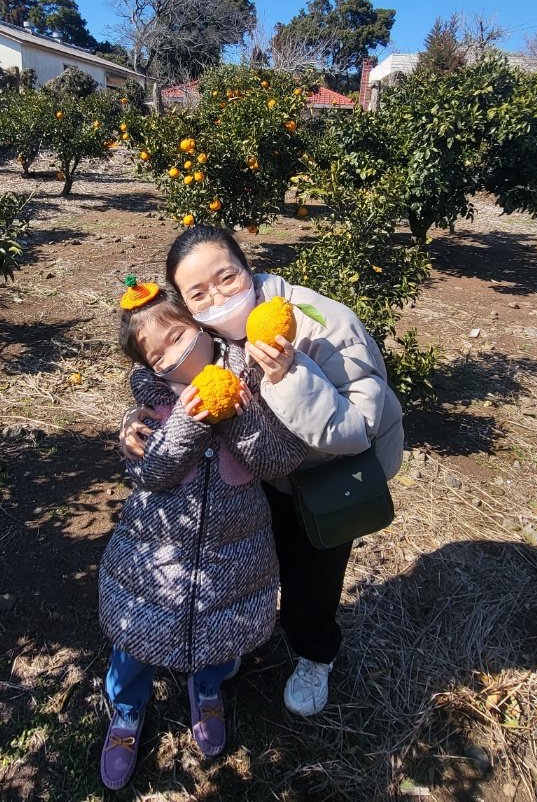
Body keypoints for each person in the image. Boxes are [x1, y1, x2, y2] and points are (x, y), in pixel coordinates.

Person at [120, 227, 403, 718]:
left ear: (247, 269)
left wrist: (287, 375)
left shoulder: (321, 322)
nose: (218, 297)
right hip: (261, 475)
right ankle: (242, 637)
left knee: (312, 578)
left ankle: (316, 655)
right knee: (255, 566)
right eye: (198, 293)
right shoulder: (208, 334)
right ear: (186, 306)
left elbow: (358, 429)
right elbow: (167, 374)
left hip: (329, 479)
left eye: (226, 277)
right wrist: (136, 424)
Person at [98, 277, 306, 790]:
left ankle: (206, 690)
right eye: (156, 355)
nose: (170, 356)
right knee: (134, 639)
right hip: (153, 558)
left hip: (235, 556)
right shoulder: (151, 405)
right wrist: (190, 420)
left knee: (221, 632)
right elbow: (151, 474)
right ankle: (126, 713)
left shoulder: (253, 378)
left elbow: (281, 458)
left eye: (176, 336)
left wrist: (234, 413)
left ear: (201, 325)